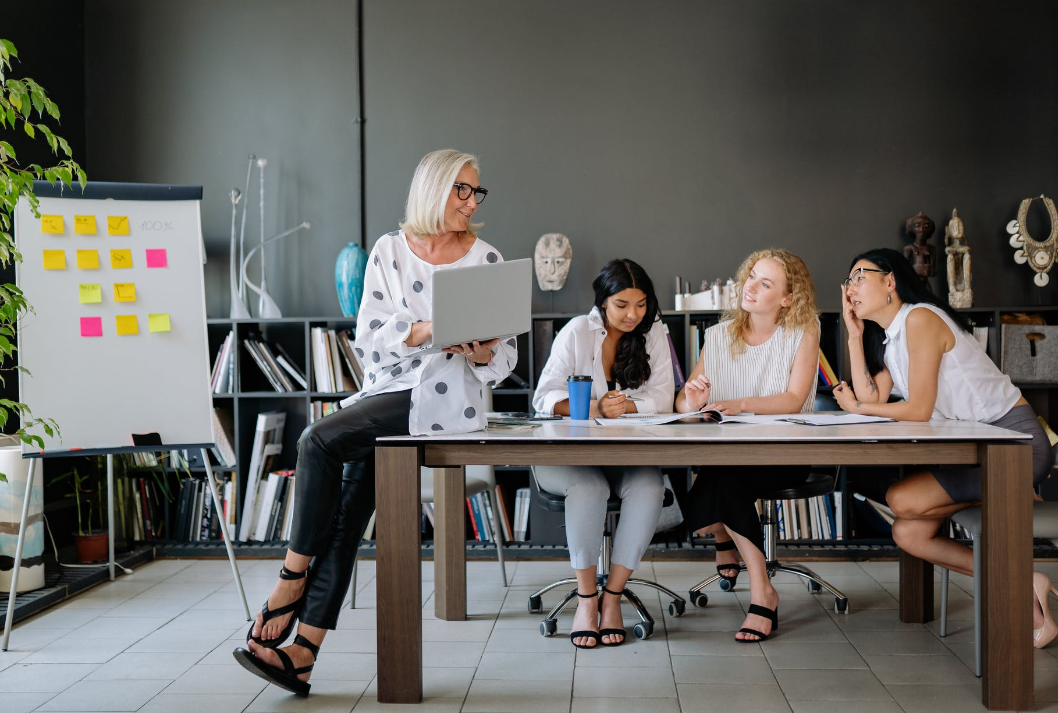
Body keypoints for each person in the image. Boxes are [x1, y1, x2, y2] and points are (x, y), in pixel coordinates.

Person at [234, 149, 518, 694]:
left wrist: (481, 352)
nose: (471, 201)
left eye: (476, 192)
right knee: (343, 515)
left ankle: (290, 580)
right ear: (433, 189)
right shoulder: (389, 251)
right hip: (389, 392)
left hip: (448, 401)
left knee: (317, 439)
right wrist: (427, 330)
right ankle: (304, 653)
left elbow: (504, 361)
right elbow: (369, 340)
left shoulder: (486, 259)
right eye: (462, 189)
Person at [832, 247, 1058, 648]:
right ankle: (1028, 587)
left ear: (890, 281)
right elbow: (874, 399)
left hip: (1015, 446)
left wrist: (857, 405)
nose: (849, 287)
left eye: (859, 276)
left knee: (900, 498)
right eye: (847, 279)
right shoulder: (893, 339)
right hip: (977, 449)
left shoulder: (921, 319)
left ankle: (1023, 576)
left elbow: (917, 408)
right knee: (909, 534)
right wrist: (854, 338)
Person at [678, 249, 820, 643]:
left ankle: (759, 586)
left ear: (788, 298)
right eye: (751, 277)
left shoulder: (803, 333)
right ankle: (759, 584)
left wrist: (740, 404)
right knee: (723, 473)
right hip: (725, 455)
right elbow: (683, 402)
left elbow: (793, 399)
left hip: (784, 454)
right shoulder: (717, 336)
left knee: (718, 483)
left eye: (766, 283)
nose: (751, 287)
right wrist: (691, 397)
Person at [531, 258, 674, 648]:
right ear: (603, 302)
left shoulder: (654, 332)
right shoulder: (578, 331)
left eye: (641, 304)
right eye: (622, 305)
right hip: (568, 459)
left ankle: (612, 596)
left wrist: (626, 407)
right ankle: (586, 599)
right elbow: (544, 398)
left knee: (649, 485)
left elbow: (664, 397)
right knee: (590, 488)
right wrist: (595, 409)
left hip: (624, 457)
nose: (633, 315)